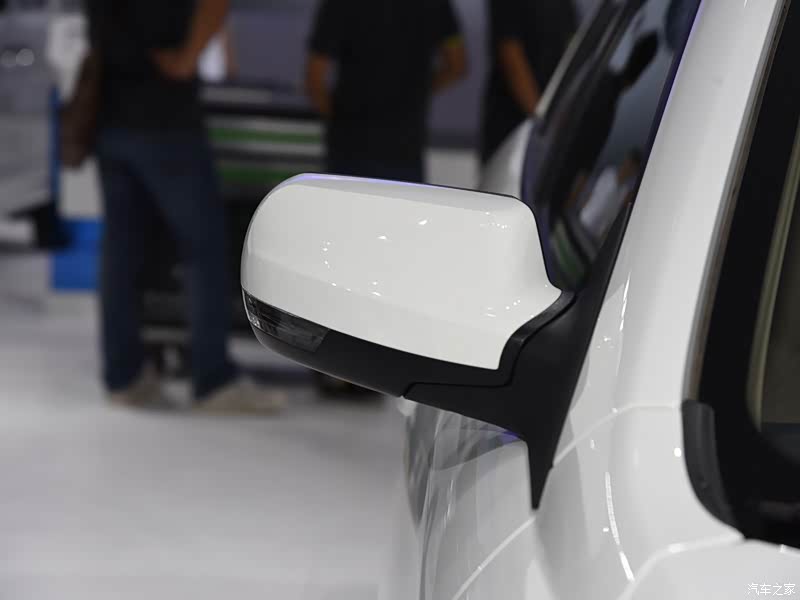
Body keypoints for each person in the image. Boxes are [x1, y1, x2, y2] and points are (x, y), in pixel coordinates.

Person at [85, 0, 284, 412]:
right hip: (166, 121)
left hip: (112, 115)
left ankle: (124, 376)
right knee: (203, 250)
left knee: (120, 254)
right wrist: (187, 57)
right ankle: (213, 379)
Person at [305, 0, 468, 183]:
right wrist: (416, 93)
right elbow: (457, 65)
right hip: (405, 143)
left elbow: (314, 80)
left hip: (351, 143)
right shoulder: (435, 4)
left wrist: (339, 121)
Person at [481, 0, 577, 163]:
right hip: (514, 129)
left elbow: (573, 50)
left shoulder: (564, 5)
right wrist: (542, 121)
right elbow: (511, 56)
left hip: (551, 127)